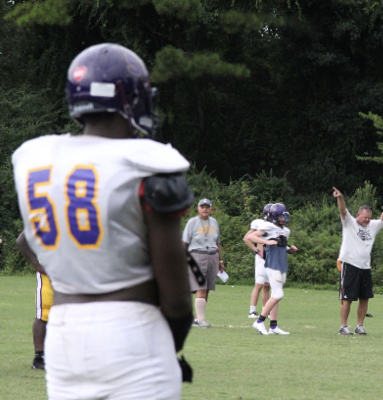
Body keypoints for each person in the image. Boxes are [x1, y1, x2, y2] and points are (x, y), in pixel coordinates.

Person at [12, 43, 195, 399]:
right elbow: (176, 299)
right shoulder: (146, 163)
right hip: (132, 328)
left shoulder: (35, 160)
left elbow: (29, 240)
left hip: (63, 334)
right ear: (131, 99)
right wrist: (169, 345)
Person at [333, 187, 383, 336]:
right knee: (347, 298)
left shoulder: (372, 225)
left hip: (365, 267)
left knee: (365, 298)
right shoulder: (349, 222)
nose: (367, 220)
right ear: (358, 215)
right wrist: (340, 197)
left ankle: (360, 326)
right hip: (349, 264)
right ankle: (343, 326)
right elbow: (343, 210)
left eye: (369, 218)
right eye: (364, 217)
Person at [247, 203, 298, 335]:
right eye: (282, 215)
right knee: (278, 294)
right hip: (272, 264)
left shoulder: (285, 231)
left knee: (276, 295)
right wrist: (267, 242)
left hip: (282, 264)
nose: (284, 218)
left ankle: (273, 326)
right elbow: (250, 237)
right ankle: (259, 321)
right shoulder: (267, 226)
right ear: (275, 216)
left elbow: (280, 246)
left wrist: (290, 249)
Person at [182, 198, 225, 328]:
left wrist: (220, 260)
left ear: (211, 209)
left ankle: (197, 318)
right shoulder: (192, 222)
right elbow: (185, 242)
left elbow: (217, 243)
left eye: (207, 207)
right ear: (198, 209)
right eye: (202, 206)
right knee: (200, 287)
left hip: (212, 255)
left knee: (207, 289)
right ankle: (201, 320)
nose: (205, 209)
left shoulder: (214, 222)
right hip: (197, 255)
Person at [17, 232, 53, 370]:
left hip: (73, 272)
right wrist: (36, 265)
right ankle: (40, 356)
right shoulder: (45, 216)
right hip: (49, 273)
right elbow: (21, 240)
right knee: (43, 314)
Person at [243, 203, 272, 318]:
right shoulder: (260, 224)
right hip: (261, 258)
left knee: (267, 285)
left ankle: (266, 311)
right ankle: (252, 311)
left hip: (270, 257)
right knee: (259, 285)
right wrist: (257, 251)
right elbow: (246, 238)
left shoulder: (274, 226)